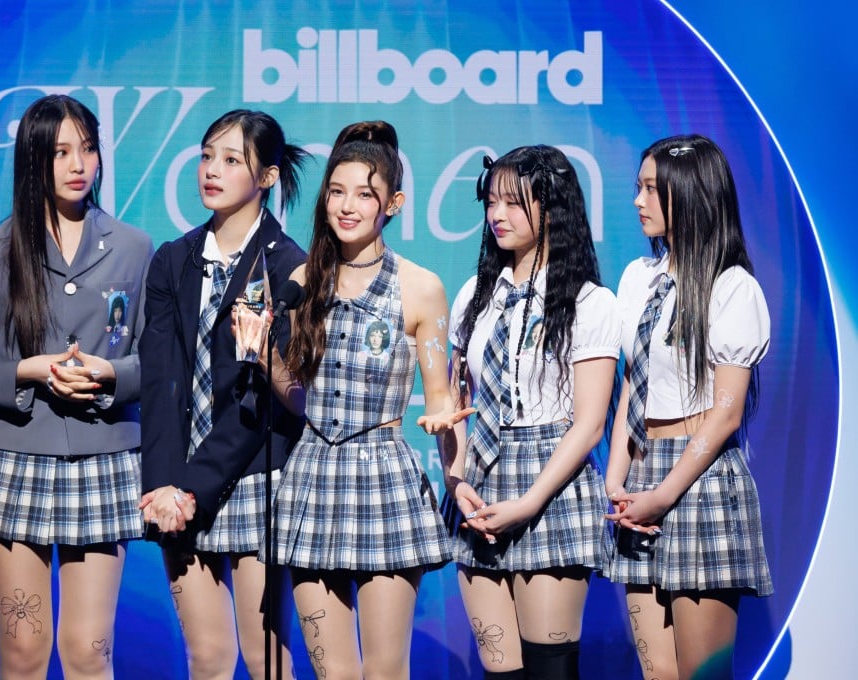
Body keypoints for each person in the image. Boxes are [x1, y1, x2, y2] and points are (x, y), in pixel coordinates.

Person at [0, 94, 153, 679]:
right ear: (32, 159)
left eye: (87, 149)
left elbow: (157, 366)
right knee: (24, 650)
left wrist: (110, 374)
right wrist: (29, 371)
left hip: (103, 460)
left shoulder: (135, 248)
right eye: (61, 151)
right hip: (14, 460)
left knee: (89, 651)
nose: (78, 164)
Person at [266, 121, 471, 680]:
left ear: (394, 203)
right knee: (332, 671)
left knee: (385, 671)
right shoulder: (303, 279)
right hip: (311, 477)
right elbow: (300, 400)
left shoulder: (419, 285)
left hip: (381, 476)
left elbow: (440, 397)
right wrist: (263, 354)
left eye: (364, 193)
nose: (347, 206)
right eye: (336, 191)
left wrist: (444, 431)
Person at [139, 109, 309, 679]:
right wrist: (163, 484)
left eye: (232, 160)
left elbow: (264, 401)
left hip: (257, 476)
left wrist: (191, 486)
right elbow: (160, 382)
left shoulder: (289, 268)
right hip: (179, 486)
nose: (211, 170)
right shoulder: (173, 259)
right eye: (207, 155)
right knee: (207, 658)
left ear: (266, 177)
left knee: (264, 656)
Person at [442, 146, 619, 679]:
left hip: (551, 483)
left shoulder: (589, 303)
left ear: (552, 207)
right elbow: (453, 404)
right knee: (501, 671)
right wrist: (455, 481)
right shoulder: (475, 295)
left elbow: (589, 424)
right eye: (491, 201)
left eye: (513, 203)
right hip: (480, 482)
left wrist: (529, 501)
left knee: (549, 670)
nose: (497, 214)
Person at [604, 134, 773, 680]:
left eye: (652, 189)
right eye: (638, 187)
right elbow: (633, 380)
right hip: (642, 474)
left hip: (698, 479)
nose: (638, 201)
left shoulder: (731, 286)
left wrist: (663, 494)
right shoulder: (638, 278)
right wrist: (616, 476)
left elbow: (725, 413)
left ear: (692, 194)